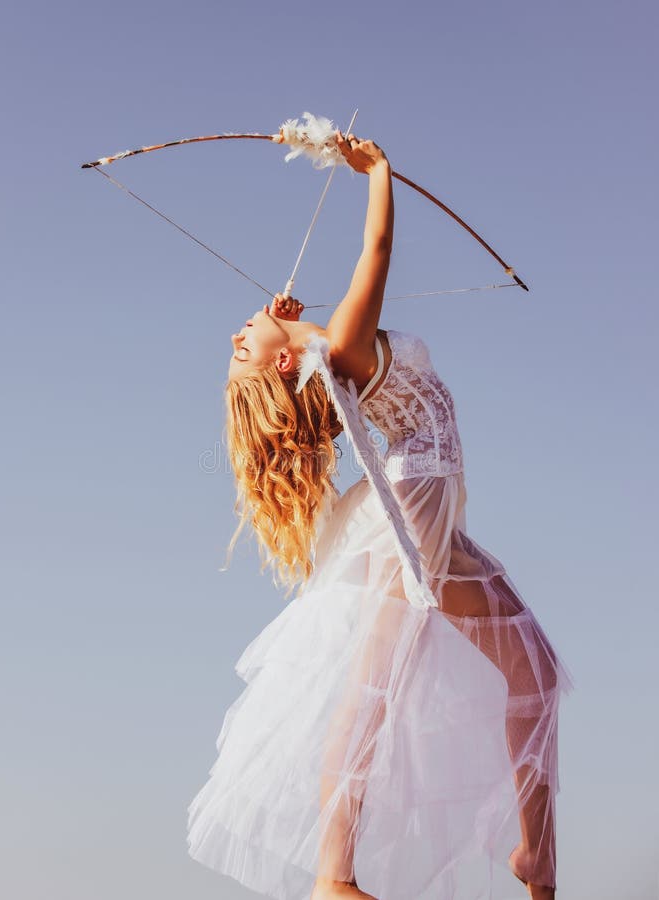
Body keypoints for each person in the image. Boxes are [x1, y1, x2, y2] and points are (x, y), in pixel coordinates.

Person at [186, 132, 574, 900]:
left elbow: (315, 351)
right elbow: (378, 248)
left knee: (535, 671)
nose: (237, 333)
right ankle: (334, 875)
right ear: (284, 366)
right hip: (413, 515)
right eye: (242, 350)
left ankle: (537, 859)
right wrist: (377, 175)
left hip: (432, 513)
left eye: (238, 341)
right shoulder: (349, 348)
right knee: (374, 679)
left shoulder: (325, 354)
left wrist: (291, 327)